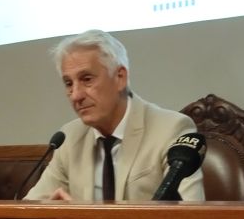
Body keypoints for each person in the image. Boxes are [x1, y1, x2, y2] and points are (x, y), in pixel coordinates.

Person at [24, 29, 205, 201]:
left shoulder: (170, 129)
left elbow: (189, 212)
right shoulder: (69, 138)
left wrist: (83, 217)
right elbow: (29, 207)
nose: (76, 95)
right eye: (69, 83)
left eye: (87, 79)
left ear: (120, 77)